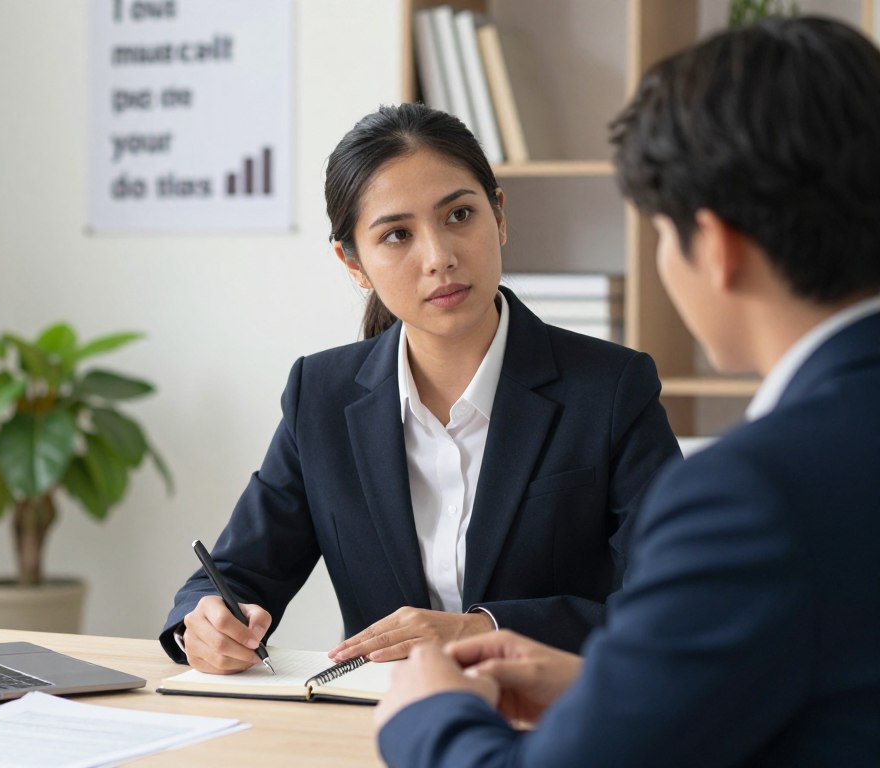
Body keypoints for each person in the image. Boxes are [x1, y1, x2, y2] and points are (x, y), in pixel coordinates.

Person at [374, 16, 880, 767]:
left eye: (661, 235)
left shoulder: (749, 494)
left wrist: (428, 718)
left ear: (715, 247)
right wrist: (608, 692)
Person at [159, 102, 681, 674]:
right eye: (397, 235)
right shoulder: (322, 395)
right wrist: (204, 626)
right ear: (352, 263)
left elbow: (672, 600)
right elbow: (234, 574)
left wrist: (482, 629)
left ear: (499, 215)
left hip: (558, 722)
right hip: (383, 727)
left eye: (459, 215)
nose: (439, 257)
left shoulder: (610, 389)